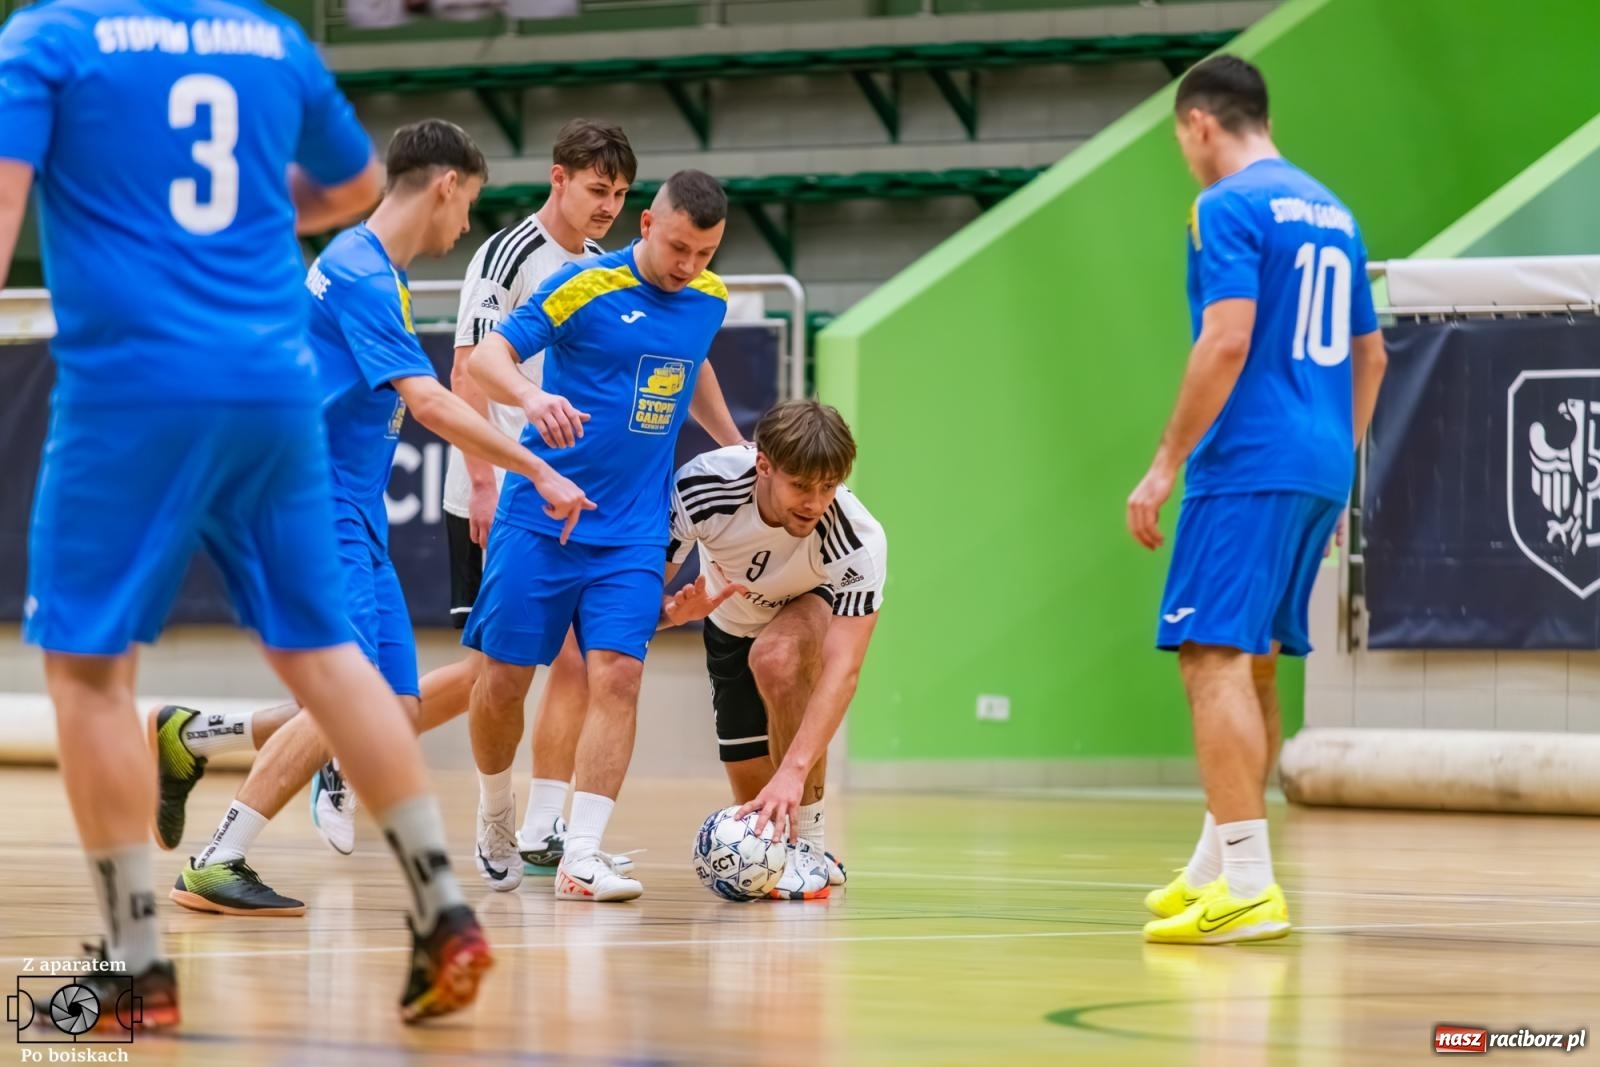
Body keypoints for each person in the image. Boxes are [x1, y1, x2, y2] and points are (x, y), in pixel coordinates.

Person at [0, 0, 490, 1027]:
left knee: (89, 675)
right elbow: (355, 187)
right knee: (327, 657)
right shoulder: (270, 37)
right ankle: (444, 909)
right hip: (269, 387)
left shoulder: (47, 38)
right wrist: (230, 218)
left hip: (130, 389)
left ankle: (139, 961)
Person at [158, 120, 594, 917]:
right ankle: (218, 858)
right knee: (349, 697)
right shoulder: (360, 274)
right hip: (310, 504)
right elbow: (429, 399)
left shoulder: (379, 271)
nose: (466, 226)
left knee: (392, 709)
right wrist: (532, 464)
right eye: (469, 206)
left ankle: (195, 733)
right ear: (445, 187)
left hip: (352, 507)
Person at [1125, 55, 1387, 945]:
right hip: (1320, 457)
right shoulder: (1334, 210)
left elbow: (1226, 339)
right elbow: (1372, 355)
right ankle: (1215, 866)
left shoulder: (1225, 207)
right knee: (1259, 659)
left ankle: (1248, 882)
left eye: (1181, 139)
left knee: (1208, 655)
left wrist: (1164, 463)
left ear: (1199, 124)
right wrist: (1340, 468)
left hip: (1249, 459)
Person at [465, 169, 735, 902]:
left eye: (704, 254)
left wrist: (736, 444)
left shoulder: (708, 301)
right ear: (647, 224)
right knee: (502, 681)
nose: (688, 266)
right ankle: (495, 811)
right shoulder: (584, 285)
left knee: (618, 672)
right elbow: (487, 359)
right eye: (678, 247)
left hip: (634, 530)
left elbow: (691, 365)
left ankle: (582, 851)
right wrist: (530, 394)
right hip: (543, 514)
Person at [659, 400, 887, 898]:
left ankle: (812, 845)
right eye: (801, 486)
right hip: (726, 624)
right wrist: (674, 615)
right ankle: (796, 851)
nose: (815, 501)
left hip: (809, 602)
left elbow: (843, 670)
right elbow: (638, 609)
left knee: (777, 658)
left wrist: (794, 772)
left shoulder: (856, 539)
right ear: (763, 464)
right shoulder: (703, 487)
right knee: (758, 813)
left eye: (829, 486)